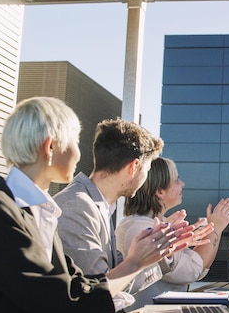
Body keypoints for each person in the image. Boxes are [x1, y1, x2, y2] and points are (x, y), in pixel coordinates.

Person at [0, 97, 194, 313]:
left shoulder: (40, 209)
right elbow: (62, 299)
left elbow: (78, 286)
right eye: (75, 142)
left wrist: (145, 258)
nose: (79, 153)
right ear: (50, 147)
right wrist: (135, 262)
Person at [54, 118, 207, 296]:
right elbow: (98, 291)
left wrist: (161, 252)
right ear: (134, 167)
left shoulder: (98, 205)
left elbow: (120, 278)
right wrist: (138, 259)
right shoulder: (77, 207)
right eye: (147, 168)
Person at [115, 157, 229, 308]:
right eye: (176, 180)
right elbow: (192, 270)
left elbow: (196, 268)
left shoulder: (152, 223)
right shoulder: (141, 228)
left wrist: (214, 228)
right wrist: (216, 227)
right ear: (160, 192)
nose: (182, 184)